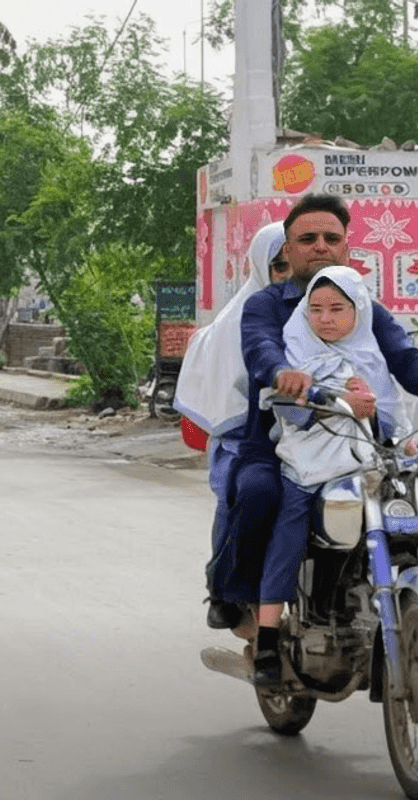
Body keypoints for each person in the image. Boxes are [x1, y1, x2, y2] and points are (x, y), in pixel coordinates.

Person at [225, 193, 418, 681]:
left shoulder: (366, 306)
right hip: (286, 439)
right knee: (265, 497)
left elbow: (406, 358)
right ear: (289, 246)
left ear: (347, 247)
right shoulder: (268, 304)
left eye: (331, 238)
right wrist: (284, 373)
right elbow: (260, 350)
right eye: (308, 238)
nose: (320, 246)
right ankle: (243, 606)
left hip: (374, 443)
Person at [251, 266, 418, 684]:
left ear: (358, 310)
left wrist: (415, 426)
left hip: (377, 458)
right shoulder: (294, 348)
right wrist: (332, 400)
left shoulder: (372, 351)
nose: (325, 318)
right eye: (316, 309)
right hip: (313, 461)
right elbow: (285, 403)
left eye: (337, 309)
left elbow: (392, 403)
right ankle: (268, 639)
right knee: (290, 528)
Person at [172, 221, 289, 633]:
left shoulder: (327, 308)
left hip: (317, 435)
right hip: (245, 433)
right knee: (243, 494)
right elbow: (228, 384)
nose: (289, 276)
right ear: (261, 266)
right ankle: (223, 587)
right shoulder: (240, 318)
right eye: (279, 266)